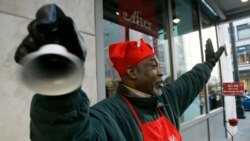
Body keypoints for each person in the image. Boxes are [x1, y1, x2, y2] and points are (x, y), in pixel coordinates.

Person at [14, 4, 225, 141]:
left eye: (159, 67)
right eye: (153, 66)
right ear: (132, 72)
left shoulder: (167, 100)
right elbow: (69, 135)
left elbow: (191, 80)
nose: (161, 74)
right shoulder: (106, 115)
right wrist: (60, 89)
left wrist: (208, 64)